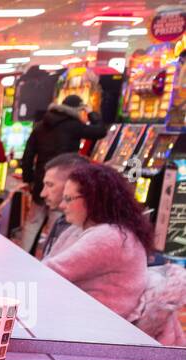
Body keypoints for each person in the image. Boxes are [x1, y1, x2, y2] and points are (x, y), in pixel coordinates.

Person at [45, 162, 152, 320]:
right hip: (88, 321)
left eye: (68, 199)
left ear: (93, 199)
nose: (62, 205)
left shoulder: (110, 237)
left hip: (100, 331)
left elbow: (50, 272)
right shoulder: (83, 228)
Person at [21, 94, 108, 201]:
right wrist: (90, 112)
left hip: (41, 180)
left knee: (36, 216)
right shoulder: (74, 126)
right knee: (57, 214)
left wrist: (28, 179)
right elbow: (101, 131)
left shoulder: (40, 125)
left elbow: (28, 155)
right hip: (63, 181)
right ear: (77, 109)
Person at [34, 152, 89, 258]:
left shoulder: (87, 230)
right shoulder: (62, 221)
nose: (42, 194)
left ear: (73, 185)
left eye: (50, 185)